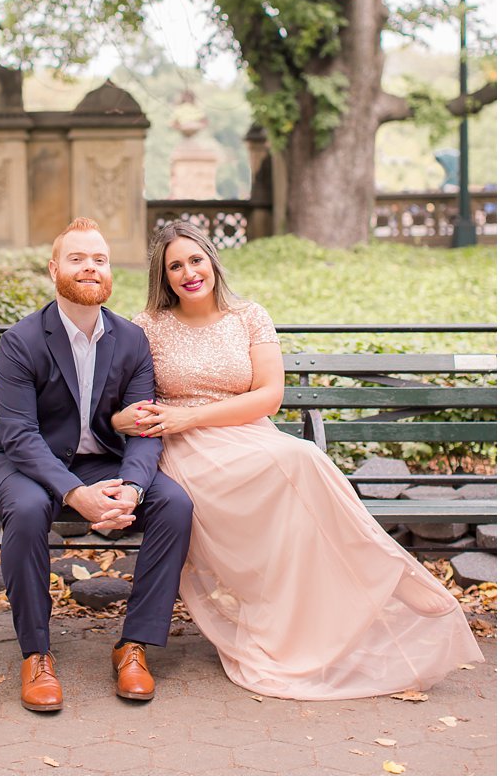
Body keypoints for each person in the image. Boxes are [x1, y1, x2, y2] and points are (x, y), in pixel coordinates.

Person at [115, 220, 483, 700]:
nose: (188, 272)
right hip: (188, 450)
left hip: (245, 433)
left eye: (195, 259)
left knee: (302, 457)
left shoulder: (248, 316)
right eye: (175, 266)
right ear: (163, 278)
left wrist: (195, 416)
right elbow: (120, 404)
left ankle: (381, 572)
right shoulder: (147, 326)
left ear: (212, 260)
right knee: (297, 465)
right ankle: (379, 573)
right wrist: (131, 421)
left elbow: (270, 396)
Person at [0, 217, 194, 712]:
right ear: (55, 268)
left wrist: (134, 489)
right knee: (32, 509)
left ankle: (134, 645)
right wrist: (75, 494)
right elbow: (18, 434)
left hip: (103, 461)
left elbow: (144, 425)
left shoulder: (131, 340)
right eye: (78, 259)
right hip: (26, 464)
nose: (91, 268)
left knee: (175, 504)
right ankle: (36, 654)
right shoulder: (23, 340)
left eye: (99, 259)